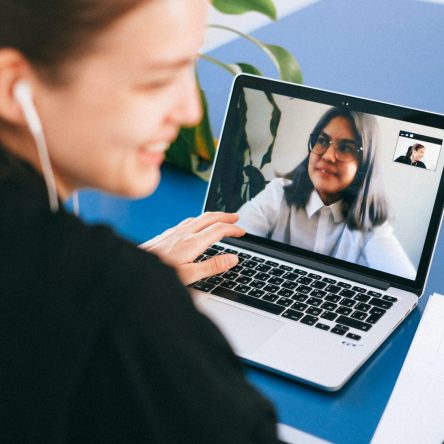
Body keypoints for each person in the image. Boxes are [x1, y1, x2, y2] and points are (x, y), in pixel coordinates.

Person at [0, 0, 280, 442]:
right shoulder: (125, 309)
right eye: (156, 80)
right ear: (14, 84)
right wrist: (127, 295)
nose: (190, 111)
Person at [237, 107, 416, 279]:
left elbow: (402, 282)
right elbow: (231, 240)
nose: (328, 156)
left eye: (345, 148)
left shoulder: (370, 223)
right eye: (322, 141)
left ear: (364, 164)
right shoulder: (278, 194)